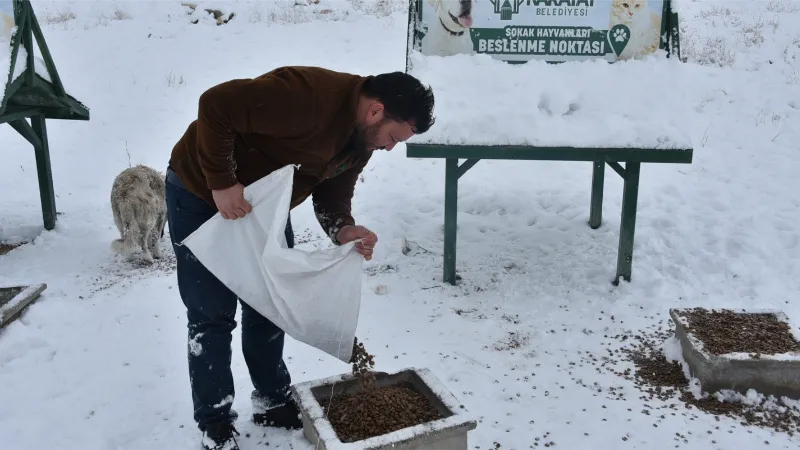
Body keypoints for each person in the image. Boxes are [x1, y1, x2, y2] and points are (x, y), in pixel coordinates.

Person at [164, 66, 435, 450]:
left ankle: (272, 399)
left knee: (272, 302)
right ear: (375, 111)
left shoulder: (362, 141)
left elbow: (334, 189)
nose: (390, 147)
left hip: (262, 208)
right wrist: (221, 181)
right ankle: (215, 422)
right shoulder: (305, 97)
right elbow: (215, 105)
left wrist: (342, 228)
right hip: (200, 193)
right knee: (211, 314)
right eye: (393, 137)